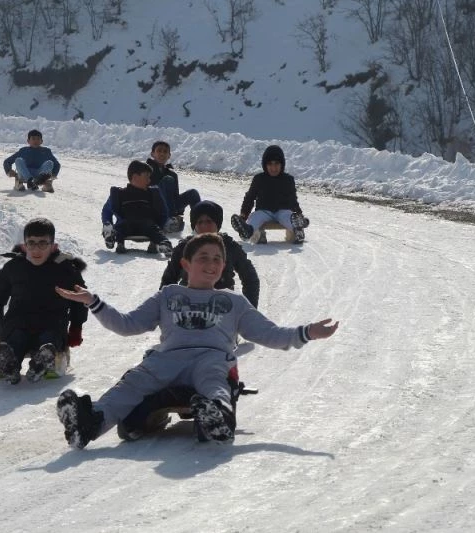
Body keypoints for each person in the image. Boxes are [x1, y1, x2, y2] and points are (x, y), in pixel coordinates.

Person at [55, 233, 339, 448]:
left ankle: (218, 417)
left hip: (211, 358)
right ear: (185, 264)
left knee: (214, 382)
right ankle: (90, 424)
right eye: (203, 257)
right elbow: (128, 325)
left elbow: (270, 334)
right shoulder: (168, 295)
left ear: (223, 266)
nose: (211, 263)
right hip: (167, 360)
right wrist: (93, 302)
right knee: (133, 382)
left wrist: (307, 332)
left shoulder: (234, 301)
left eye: (217, 259)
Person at [0, 218, 89, 384]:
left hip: (52, 322)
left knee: (49, 339)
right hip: (18, 322)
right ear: (25, 245)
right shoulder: (14, 267)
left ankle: (43, 360)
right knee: (15, 339)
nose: (36, 249)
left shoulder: (65, 269)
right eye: (31, 243)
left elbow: (80, 300)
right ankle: (8, 362)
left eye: (43, 243)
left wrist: (76, 328)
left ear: (53, 246)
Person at [160, 200, 259, 308]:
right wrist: (164, 309)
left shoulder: (229, 246)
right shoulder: (185, 247)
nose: (204, 226)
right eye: (199, 222)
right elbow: (168, 279)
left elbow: (250, 278)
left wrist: (249, 310)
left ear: (217, 224)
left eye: (209, 221)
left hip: (222, 307)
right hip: (189, 307)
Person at [230, 145, 309, 244]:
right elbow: (250, 198)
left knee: (289, 217)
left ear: (282, 164)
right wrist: (243, 216)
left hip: (283, 210)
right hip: (264, 211)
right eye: (270, 164)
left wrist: (299, 214)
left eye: (276, 164)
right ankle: (247, 231)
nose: (273, 167)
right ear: (265, 165)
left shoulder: (288, 180)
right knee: (255, 217)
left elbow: (293, 199)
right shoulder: (259, 179)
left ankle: (297, 230)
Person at [101, 160, 173, 256]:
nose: (149, 180)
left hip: (147, 224)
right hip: (126, 223)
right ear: (135, 177)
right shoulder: (120, 193)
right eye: (147, 177)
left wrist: (160, 225)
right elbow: (106, 211)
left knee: (155, 231)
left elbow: (164, 212)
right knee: (118, 228)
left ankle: (163, 244)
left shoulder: (152, 193)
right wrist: (108, 222)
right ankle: (112, 237)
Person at [146, 141, 201, 233]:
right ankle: (168, 220)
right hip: (154, 207)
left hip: (170, 207)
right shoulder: (146, 170)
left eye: (165, 151)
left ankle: (199, 224)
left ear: (169, 155)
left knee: (193, 193)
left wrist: (179, 213)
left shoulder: (172, 174)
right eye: (159, 151)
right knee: (167, 179)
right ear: (152, 154)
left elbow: (174, 197)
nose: (162, 154)